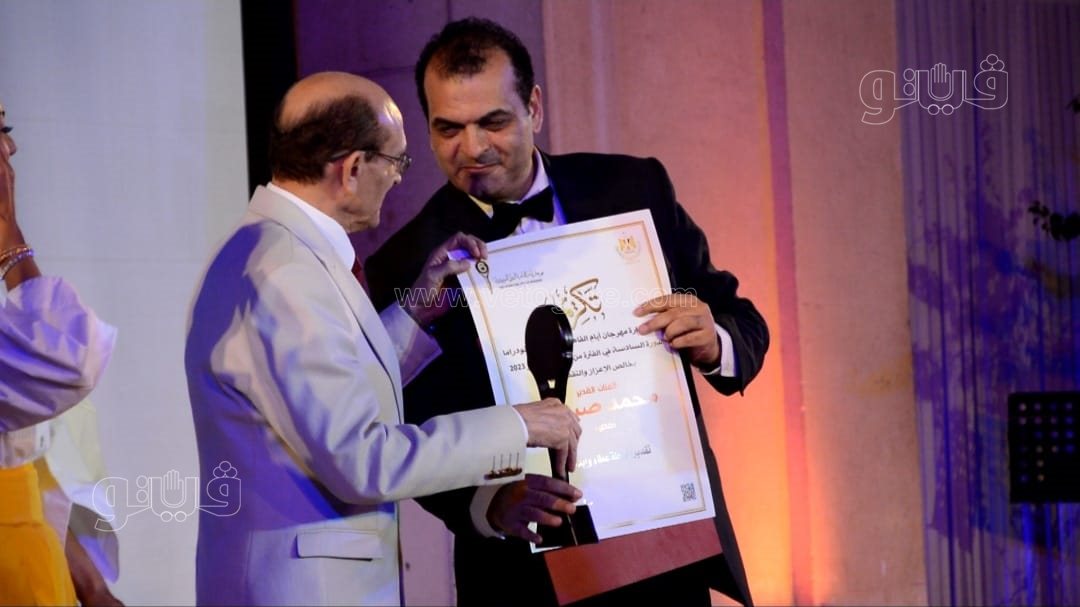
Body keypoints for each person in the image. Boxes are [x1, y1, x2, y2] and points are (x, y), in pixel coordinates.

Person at [365, 18, 769, 607]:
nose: (472, 149)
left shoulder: (633, 188)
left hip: (661, 549)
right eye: (448, 128)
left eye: (493, 122)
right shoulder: (407, 264)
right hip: (519, 573)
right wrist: (486, 503)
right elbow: (402, 426)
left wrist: (714, 342)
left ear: (533, 107)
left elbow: (742, 321)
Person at [184, 72, 582, 606]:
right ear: (352, 168)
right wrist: (519, 424)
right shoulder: (288, 272)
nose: (397, 179)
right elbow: (363, 460)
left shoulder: (273, 248)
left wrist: (413, 313)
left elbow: (333, 388)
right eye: (396, 161)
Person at [0, 100, 119, 605]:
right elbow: (71, 361)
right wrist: (11, 242)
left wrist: (91, 583)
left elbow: (33, 460)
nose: (10, 148)